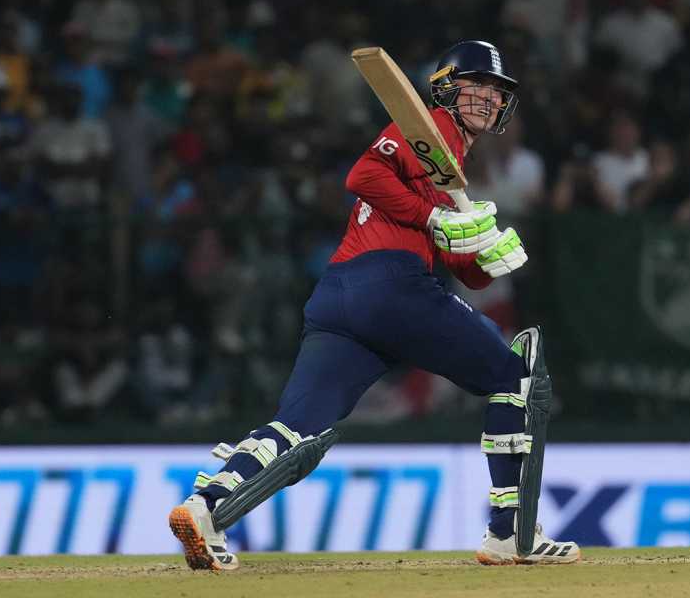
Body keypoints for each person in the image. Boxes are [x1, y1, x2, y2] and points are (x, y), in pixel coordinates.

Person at [167, 40, 580, 569]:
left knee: (299, 426)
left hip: (341, 297)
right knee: (515, 380)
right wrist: (437, 222)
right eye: (479, 86)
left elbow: (463, 272)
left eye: (498, 92)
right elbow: (362, 175)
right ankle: (510, 535)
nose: (491, 99)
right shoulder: (431, 130)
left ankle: (205, 506)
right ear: (448, 89)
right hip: (390, 286)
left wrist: (484, 253)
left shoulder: (450, 164)